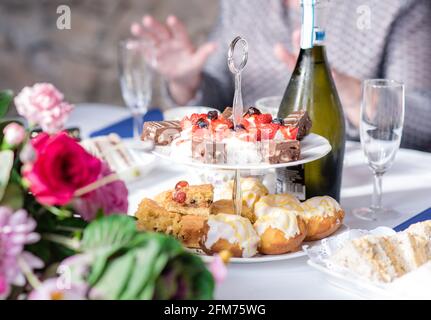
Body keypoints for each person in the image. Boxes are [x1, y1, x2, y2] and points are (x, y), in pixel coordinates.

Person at [131, 0, 431, 152]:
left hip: (348, 181)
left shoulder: (396, 7)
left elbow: (425, 121)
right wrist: (187, 82)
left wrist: (350, 94)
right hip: (249, 173)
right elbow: (221, 94)